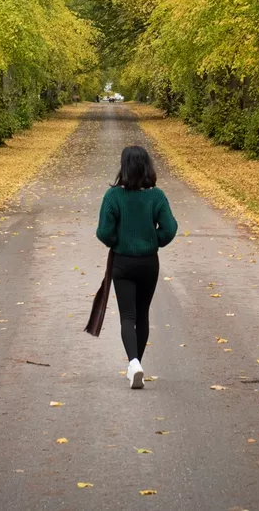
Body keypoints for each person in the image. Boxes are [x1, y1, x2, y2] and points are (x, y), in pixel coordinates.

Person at [95, 145, 178, 388]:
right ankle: (136, 364)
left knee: (127, 316)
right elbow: (170, 229)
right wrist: (155, 241)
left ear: (124, 167)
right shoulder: (157, 196)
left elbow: (103, 232)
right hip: (149, 263)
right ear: (147, 166)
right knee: (142, 315)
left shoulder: (113, 197)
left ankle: (133, 363)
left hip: (123, 263)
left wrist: (117, 241)